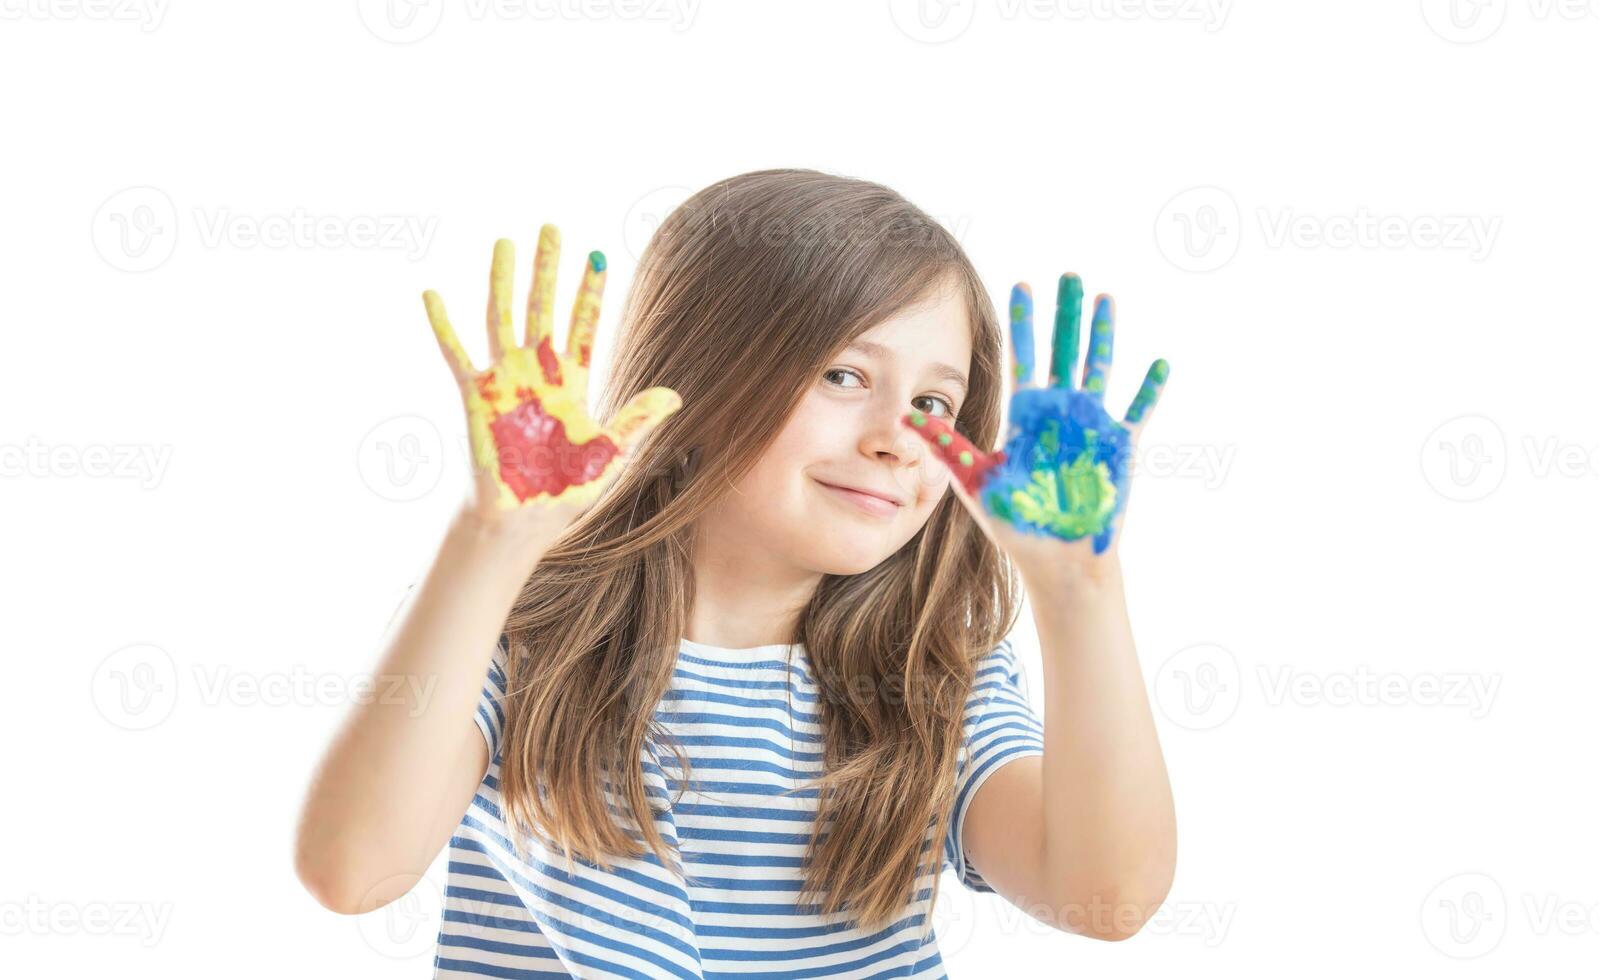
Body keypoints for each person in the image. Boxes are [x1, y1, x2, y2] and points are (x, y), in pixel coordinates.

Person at [293, 169, 1178, 978]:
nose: (896, 437)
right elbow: (355, 870)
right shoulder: (508, 628)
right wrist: (490, 542)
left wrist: (1079, 589)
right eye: (841, 374)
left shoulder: (935, 672)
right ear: (700, 375)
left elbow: (1105, 896)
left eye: (932, 404)